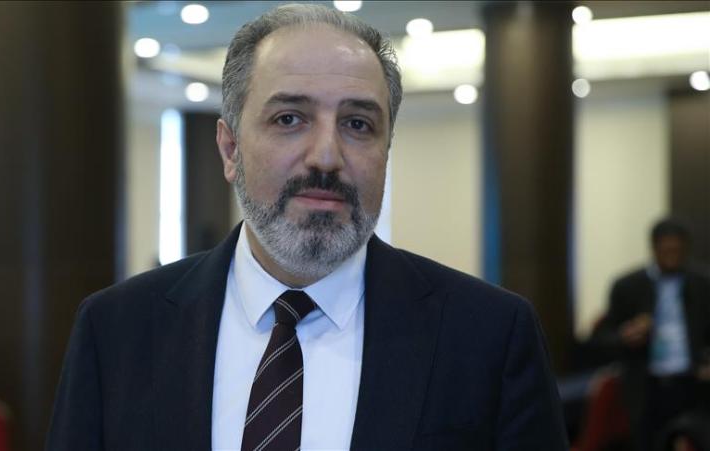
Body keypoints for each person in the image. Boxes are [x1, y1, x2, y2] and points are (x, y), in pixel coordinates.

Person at [46, 4, 568, 450]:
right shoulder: (116, 331)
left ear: (385, 151)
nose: (326, 157)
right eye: (289, 119)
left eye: (358, 124)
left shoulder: (489, 337)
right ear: (230, 150)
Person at [592, 218, 710, 451]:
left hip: (692, 384)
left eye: (677, 251)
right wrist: (625, 336)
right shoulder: (627, 286)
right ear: (654, 248)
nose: (672, 257)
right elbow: (600, 338)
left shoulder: (703, 284)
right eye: (666, 250)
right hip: (645, 386)